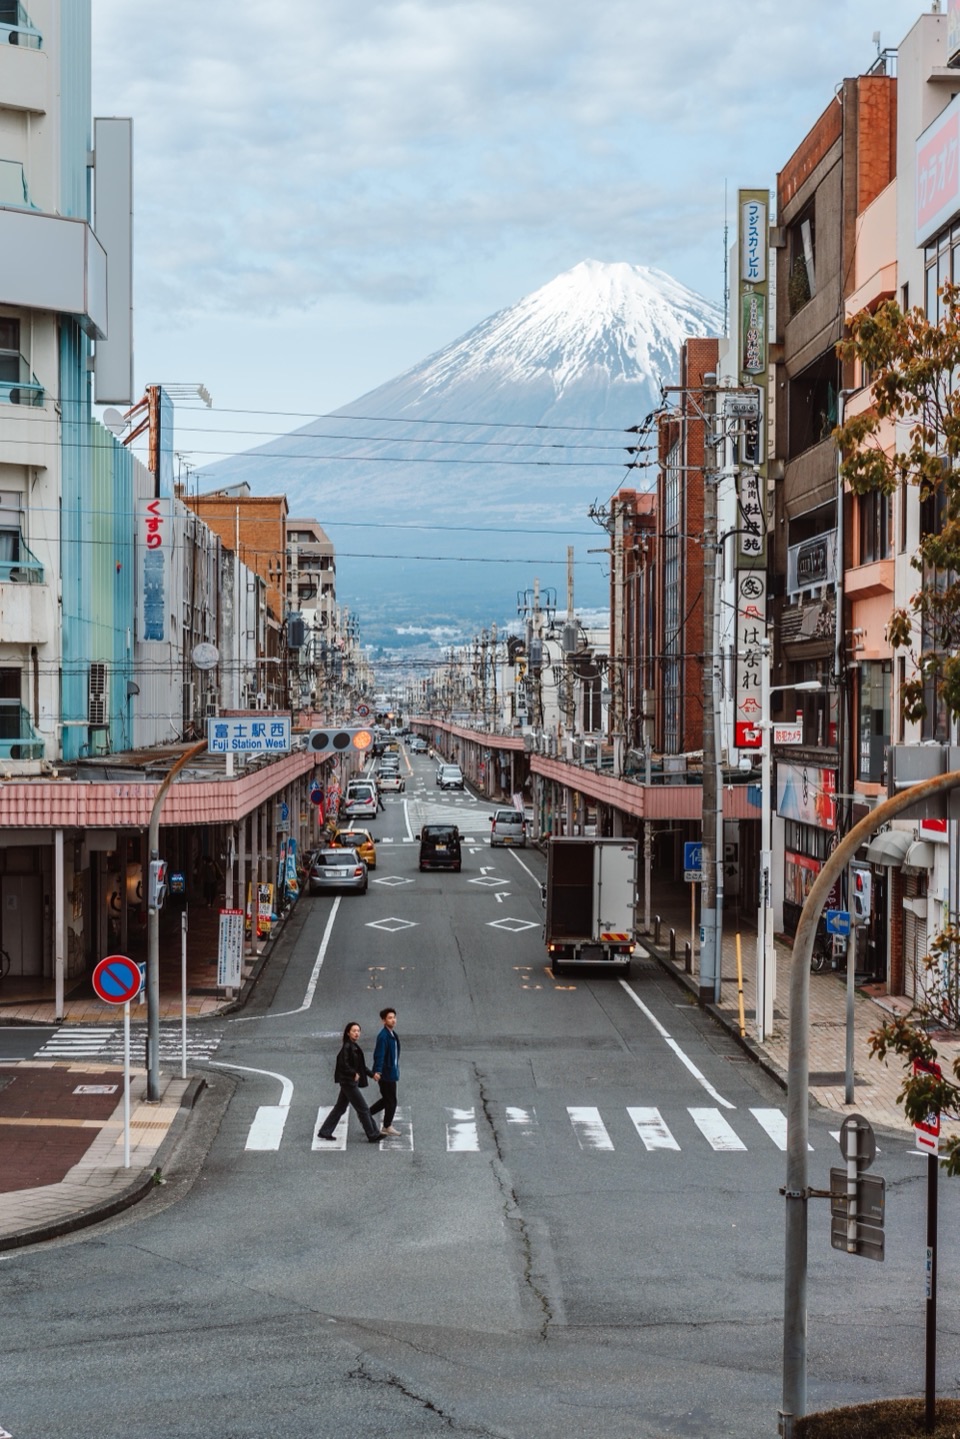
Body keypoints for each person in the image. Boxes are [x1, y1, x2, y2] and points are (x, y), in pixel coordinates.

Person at [317, 1021, 382, 1143]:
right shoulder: (348, 1047)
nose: (357, 1033)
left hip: (348, 1082)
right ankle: (372, 1134)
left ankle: (325, 1131)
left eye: (358, 1031)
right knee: (363, 1108)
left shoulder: (353, 1046)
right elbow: (344, 1065)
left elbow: (361, 1066)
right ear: (348, 1033)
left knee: (340, 1108)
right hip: (348, 1083)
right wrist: (353, 1073)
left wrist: (372, 1074)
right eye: (354, 1031)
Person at [369, 1007, 401, 1137]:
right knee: (391, 1100)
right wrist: (378, 1071)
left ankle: (366, 1114)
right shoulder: (383, 1036)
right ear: (383, 1021)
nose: (393, 1020)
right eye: (390, 1018)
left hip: (391, 1072)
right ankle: (387, 1126)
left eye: (394, 1017)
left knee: (387, 1099)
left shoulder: (392, 1034)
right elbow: (379, 1055)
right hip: (386, 1074)